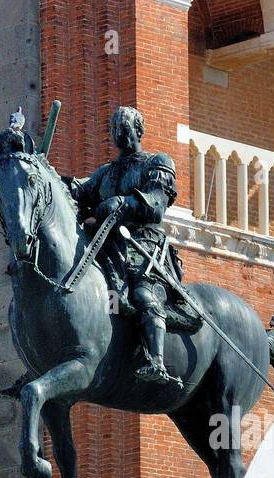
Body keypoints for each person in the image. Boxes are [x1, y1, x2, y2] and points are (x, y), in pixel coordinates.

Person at [67, 106, 183, 386]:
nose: (120, 136)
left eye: (126, 130)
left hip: (142, 245)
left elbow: (156, 204)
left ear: (138, 131)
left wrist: (123, 202)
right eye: (115, 131)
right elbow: (81, 192)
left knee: (143, 295)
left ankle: (156, 360)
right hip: (106, 245)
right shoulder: (106, 173)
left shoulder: (157, 163)